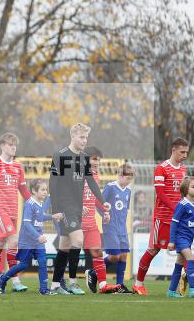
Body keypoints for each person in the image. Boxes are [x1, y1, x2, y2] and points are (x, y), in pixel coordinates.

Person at [48, 123, 109, 295]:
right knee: (78, 240)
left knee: (65, 246)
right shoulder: (60, 156)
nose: (84, 140)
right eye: (82, 137)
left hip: (77, 207)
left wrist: (103, 201)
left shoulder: (84, 158)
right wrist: (55, 209)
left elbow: (91, 182)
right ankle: (73, 282)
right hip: (64, 206)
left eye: (86, 137)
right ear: (73, 136)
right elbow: (53, 184)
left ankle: (55, 286)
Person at [133, 138, 187, 294]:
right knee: (153, 250)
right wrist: (177, 208)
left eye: (186, 152)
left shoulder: (183, 170)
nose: (185, 155)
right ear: (173, 150)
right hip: (162, 218)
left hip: (178, 219)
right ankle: (138, 284)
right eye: (182, 152)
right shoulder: (161, 168)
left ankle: (189, 285)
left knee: (184, 250)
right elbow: (161, 194)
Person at [0, 132, 31, 292]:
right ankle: (14, 280)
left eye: (15, 145)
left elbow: (23, 189)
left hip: (13, 211)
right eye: (10, 144)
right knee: (13, 241)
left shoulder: (18, 166)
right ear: (2, 146)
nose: (13, 147)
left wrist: (34, 204)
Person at [2, 180, 53, 294]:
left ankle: (43, 290)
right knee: (24, 264)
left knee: (43, 262)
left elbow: (40, 217)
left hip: (37, 242)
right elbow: (26, 223)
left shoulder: (40, 203)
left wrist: (52, 216)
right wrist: (38, 236)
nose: (45, 192)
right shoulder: (29, 204)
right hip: (27, 241)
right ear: (34, 191)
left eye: (46, 189)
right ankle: (3, 278)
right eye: (43, 190)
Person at [80, 148, 118, 293]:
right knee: (68, 253)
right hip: (74, 222)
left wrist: (104, 210)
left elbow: (95, 198)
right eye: (94, 159)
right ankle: (59, 283)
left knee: (97, 251)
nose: (97, 162)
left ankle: (103, 285)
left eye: (99, 160)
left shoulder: (95, 176)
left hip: (90, 222)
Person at [168, 176, 194, 298]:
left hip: (189, 238)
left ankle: (171, 291)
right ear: (186, 189)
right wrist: (171, 241)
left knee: (179, 264)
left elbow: (193, 221)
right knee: (191, 259)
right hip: (181, 238)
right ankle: (193, 289)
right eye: (193, 187)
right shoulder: (182, 204)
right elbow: (174, 222)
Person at [101, 163, 135, 291]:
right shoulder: (110, 187)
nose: (129, 181)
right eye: (127, 178)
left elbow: (125, 210)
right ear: (120, 175)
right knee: (114, 256)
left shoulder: (128, 191)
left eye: (131, 178)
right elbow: (98, 203)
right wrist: (105, 215)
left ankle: (119, 286)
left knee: (124, 255)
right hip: (110, 227)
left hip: (122, 228)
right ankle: (93, 272)